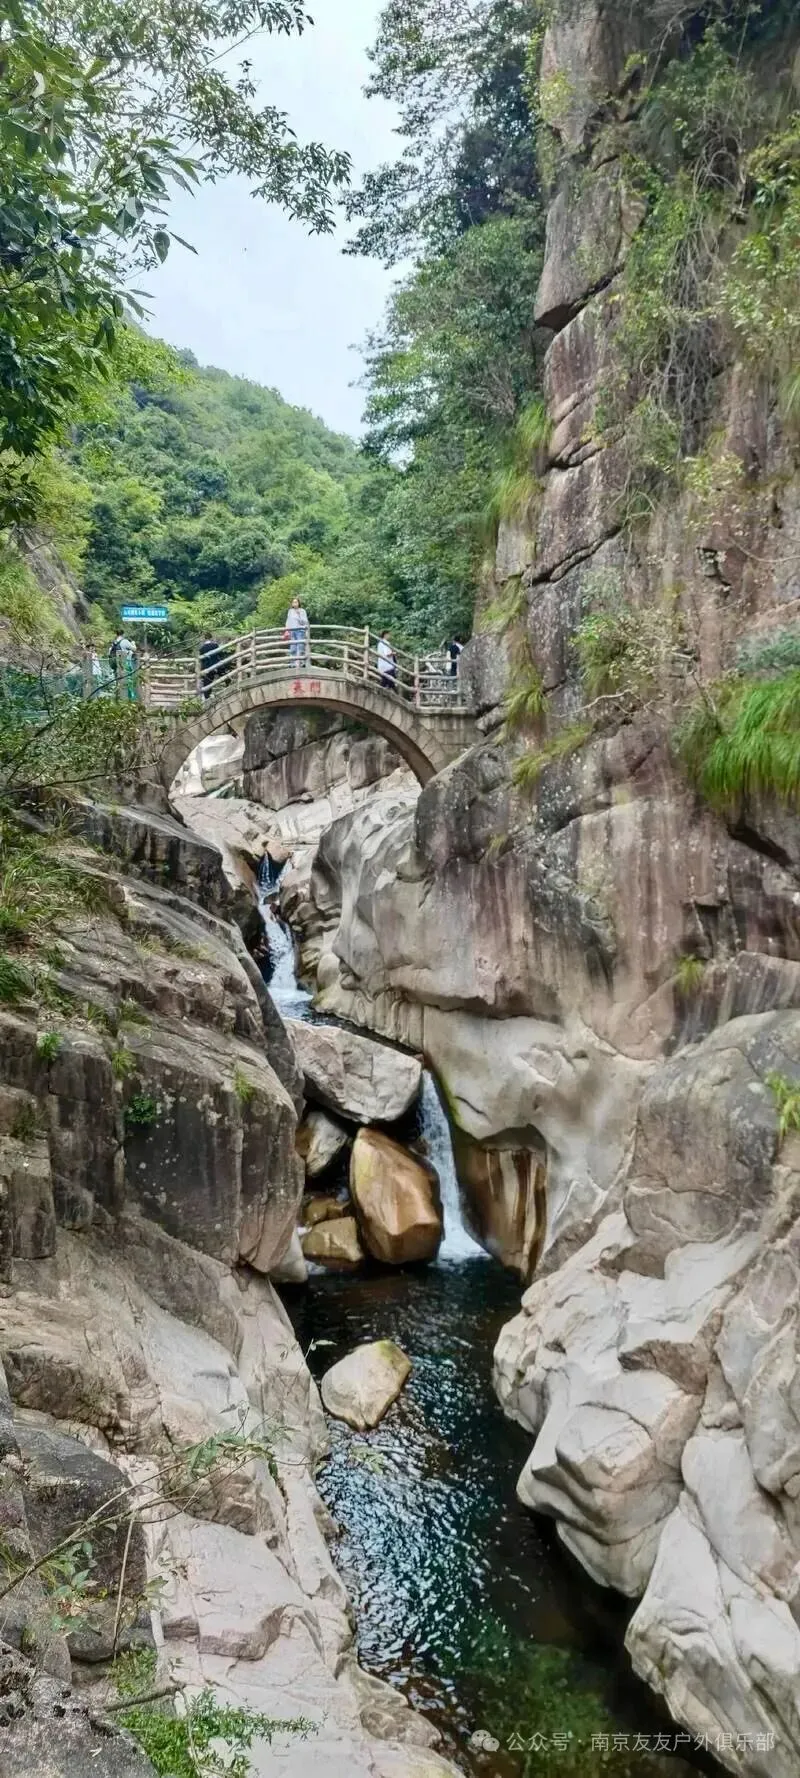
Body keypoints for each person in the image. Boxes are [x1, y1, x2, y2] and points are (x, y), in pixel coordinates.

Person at [109, 630, 137, 701]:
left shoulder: (114, 642)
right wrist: (133, 643)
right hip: (125, 664)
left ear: (116, 634)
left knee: (117, 680)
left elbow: (109, 652)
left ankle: (117, 697)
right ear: (123, 634)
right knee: (127, 680)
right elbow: (134, 649)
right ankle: (129, 698)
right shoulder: (125, 641)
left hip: (116, 663)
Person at [284, 596, 309, 666]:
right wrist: (286, 630)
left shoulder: (302, 611)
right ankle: (292, 664)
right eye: (293, 602)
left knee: (300, 647)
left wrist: (299, 615)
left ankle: (301, 663)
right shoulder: (290, 611)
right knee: (293, 647)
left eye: (296, 602)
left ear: (298, 603)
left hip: (300, 631)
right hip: (292, 631)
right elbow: (288, 621)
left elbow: (305, 622)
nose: (294, 603)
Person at [199, 631, 222, 700]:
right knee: (212, 680)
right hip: (215, 666)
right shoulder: (215, 645)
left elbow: (202, 660)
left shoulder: (202, 648)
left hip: (206, 667)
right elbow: (220, 655)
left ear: (204, 638)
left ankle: (206, 696)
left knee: (207, 682)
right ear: (211, 638)